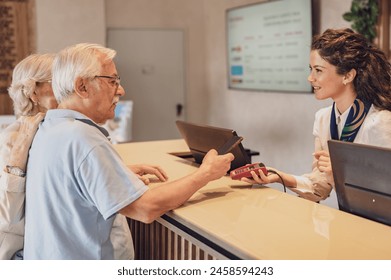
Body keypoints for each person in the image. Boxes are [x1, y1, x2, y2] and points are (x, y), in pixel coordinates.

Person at [23, 43, 234, 259]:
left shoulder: (49, 128)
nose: (121, 90)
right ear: (82, 87)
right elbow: (145, 208)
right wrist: (206, 173)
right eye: (112, 81)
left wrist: (114, 174)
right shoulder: (83, 138)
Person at [241, 28, 391, 202]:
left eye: (318, 70)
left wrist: (341, 173)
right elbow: (320, 187)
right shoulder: (323, 119)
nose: (310, 78)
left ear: (348, 75)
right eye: (311, 69)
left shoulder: (381, 123)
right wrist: (276, 175)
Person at [0, 53, 57, 259]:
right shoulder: (14, 138)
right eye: (57, 81)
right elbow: (10, 213)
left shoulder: (56, 130)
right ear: (34, 92)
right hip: (20, 251)